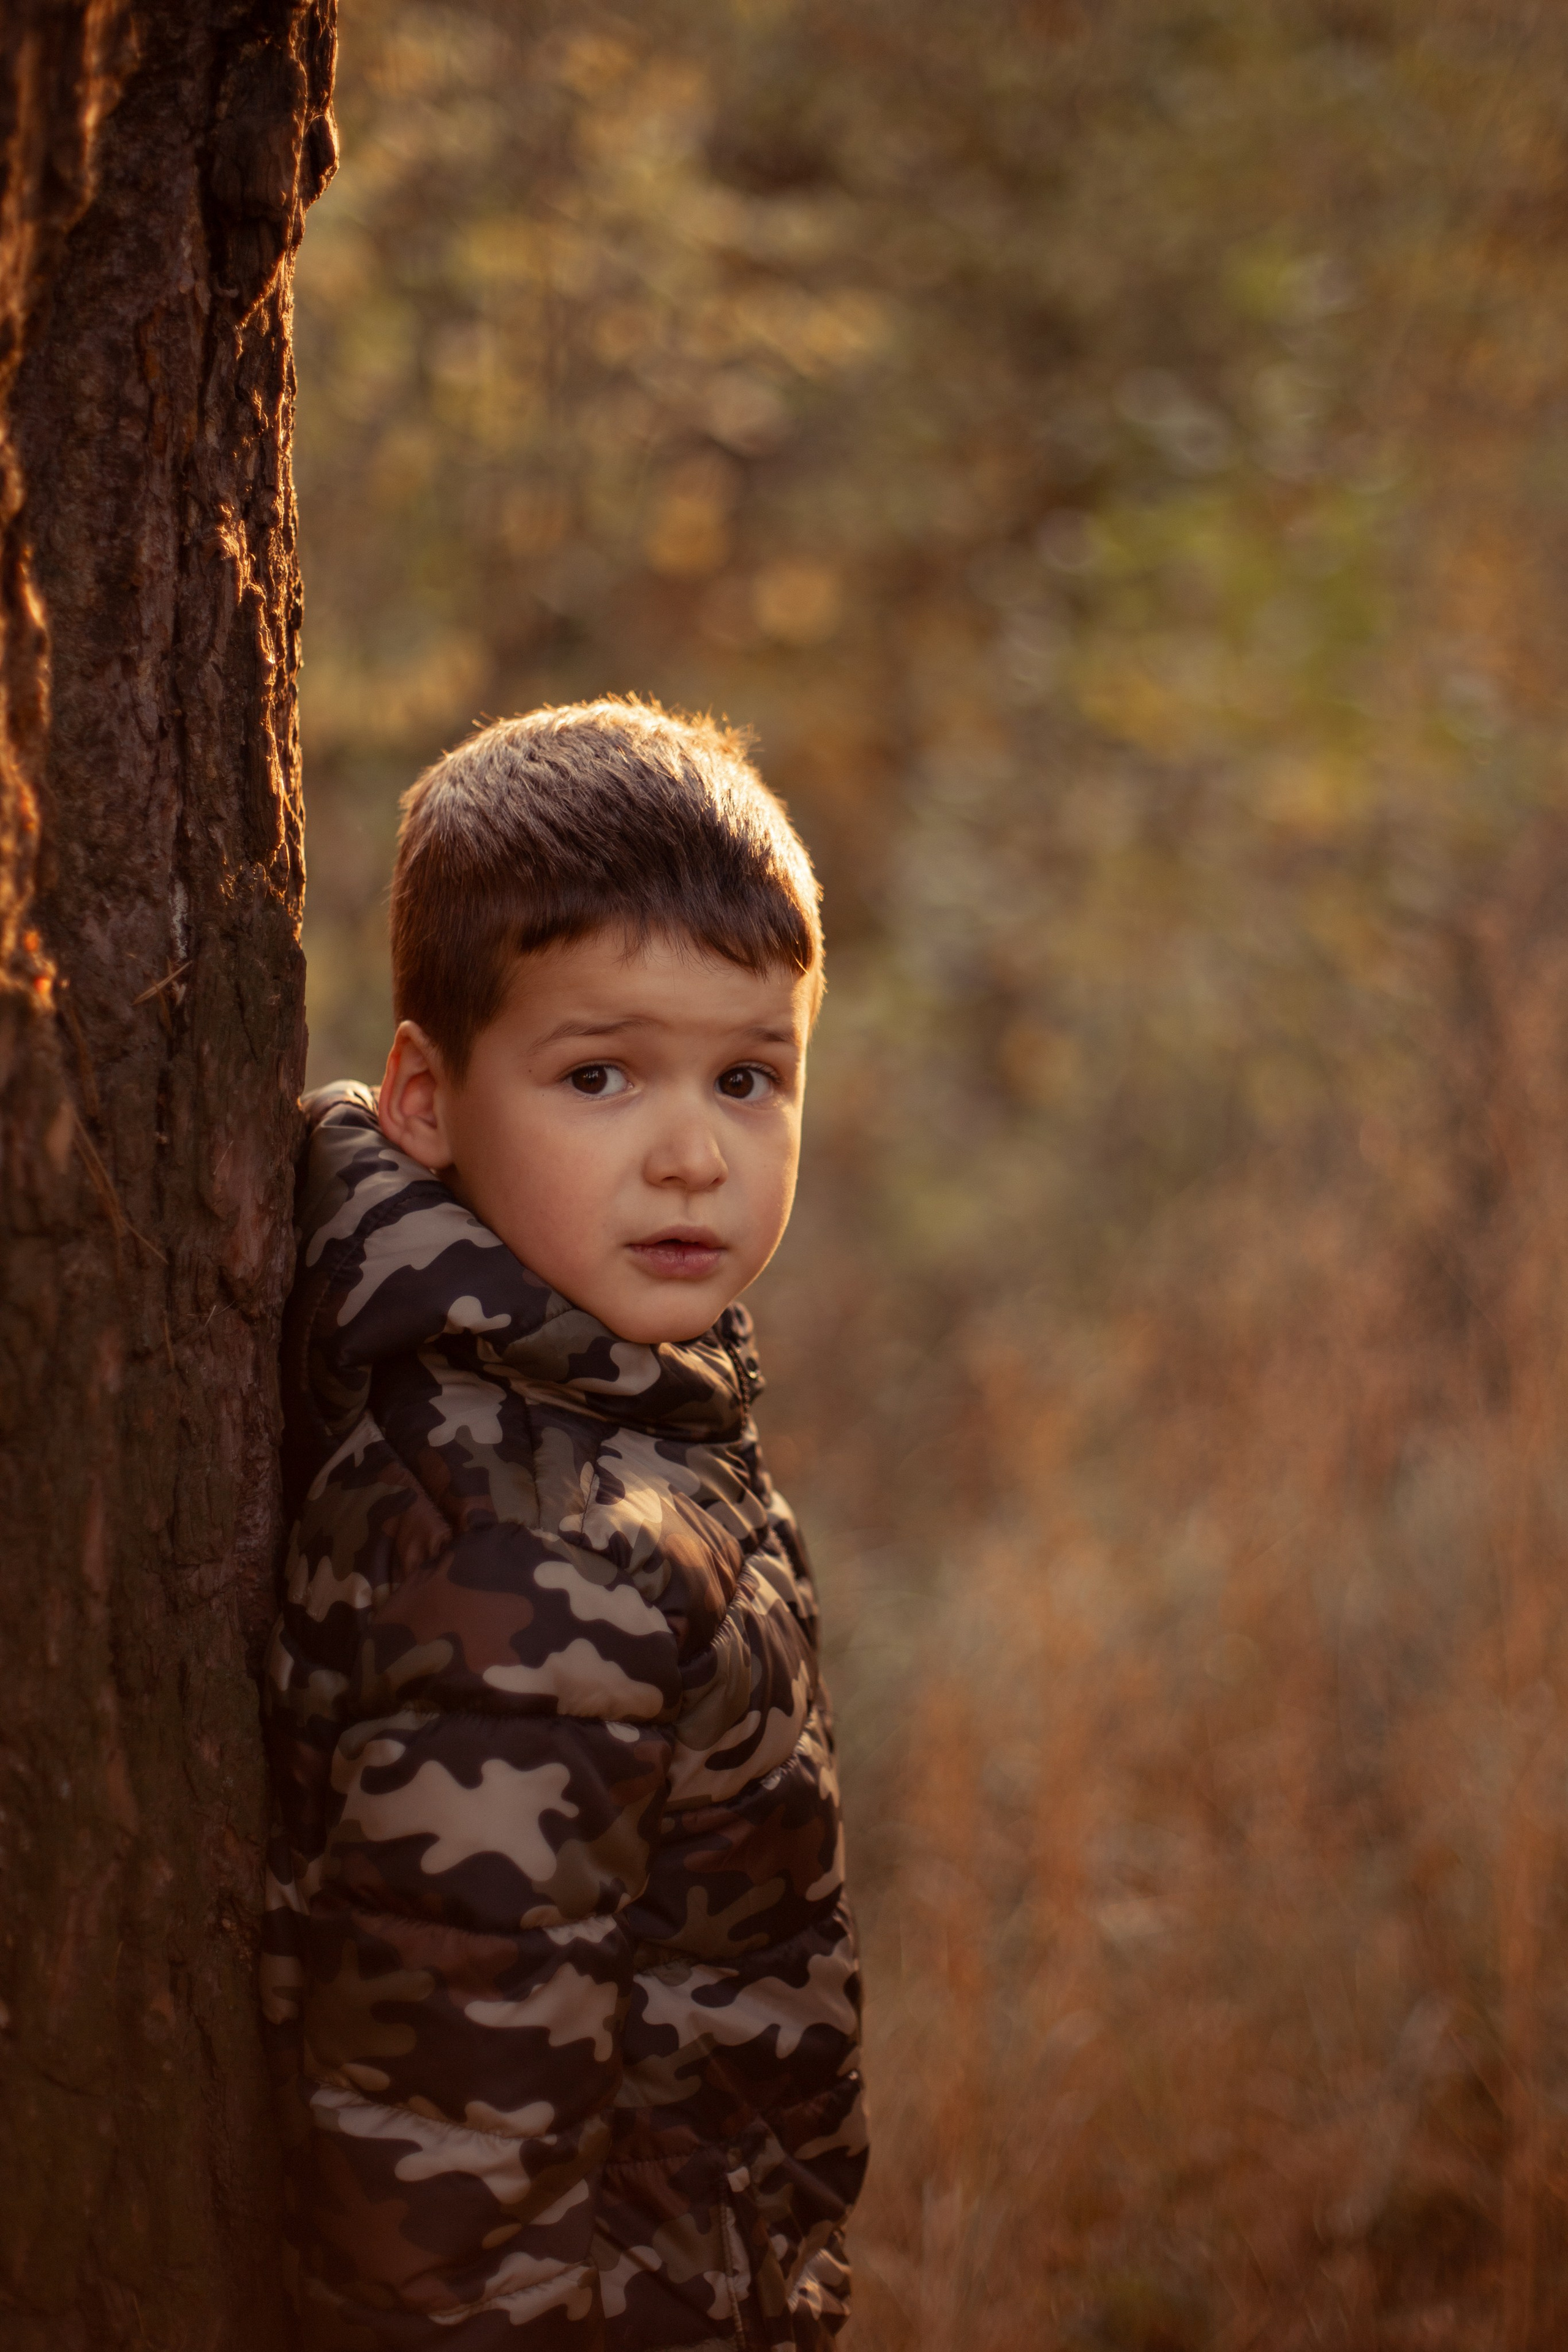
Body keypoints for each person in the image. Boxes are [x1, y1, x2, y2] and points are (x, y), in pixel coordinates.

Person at [260, 698, 866, 2351]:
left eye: (750, 1077)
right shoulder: (525, 1541)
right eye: (598, 1074)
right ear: (426, 1099)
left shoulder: (609, 1413)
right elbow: (445, 2168)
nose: (691, 1155)